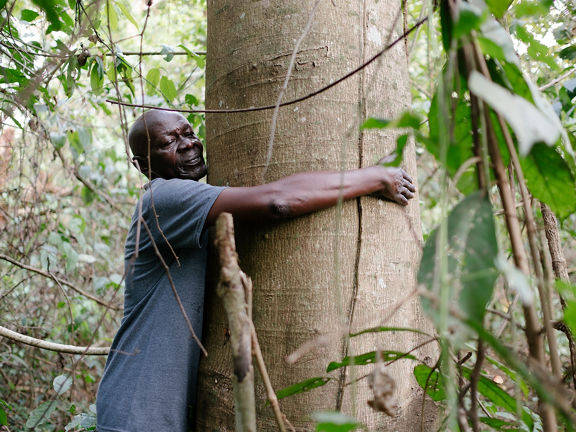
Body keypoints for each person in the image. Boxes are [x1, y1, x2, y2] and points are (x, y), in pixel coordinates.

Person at [95, 109, 416, 432]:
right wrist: (376, 177)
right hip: (135, 413)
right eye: (169, 142)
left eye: (189, 133)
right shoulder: (164, 199)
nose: (189, 145)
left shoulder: (194, 204)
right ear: (143, 165)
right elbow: (277, 201)